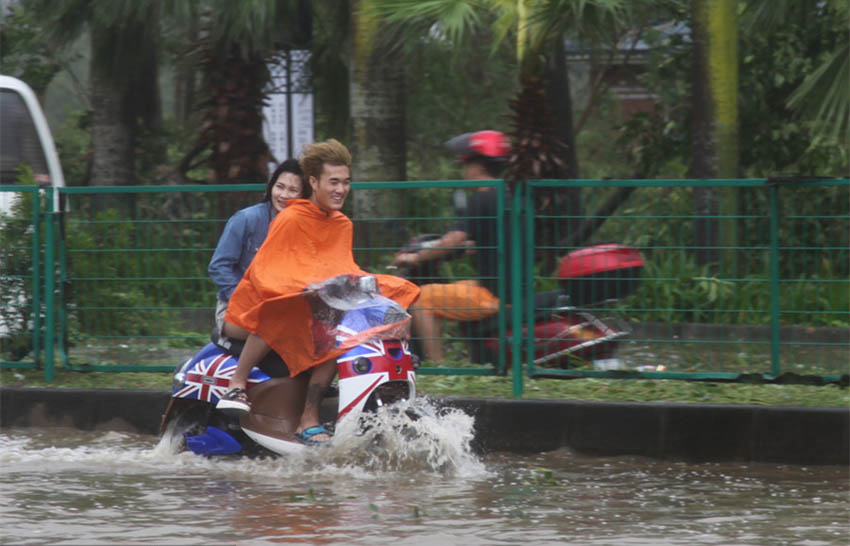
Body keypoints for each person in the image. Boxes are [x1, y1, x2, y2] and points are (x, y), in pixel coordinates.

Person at [217, 139, 419, 446]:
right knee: (284, 308)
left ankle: (307, 419)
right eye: (333, 182)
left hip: (312, 311)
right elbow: (266, 274)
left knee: (337, 328)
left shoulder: (342, 224)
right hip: (252, 312)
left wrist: (394, 309)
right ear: (314, 182)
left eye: (346, 182)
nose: (341, 189)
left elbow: (346, 272)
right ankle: (237, 382)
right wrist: (303, 288)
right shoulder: (290, 219)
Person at [392, 130, 511, 362]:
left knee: (421, 297)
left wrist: (414, 258)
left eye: (465, 164)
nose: (464, 171)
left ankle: (438, 369)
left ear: (478, 166)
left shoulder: (482, 198)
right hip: (509, 287)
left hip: (493, 293)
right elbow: (498, 237)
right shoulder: (509, 194)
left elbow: (452, 240)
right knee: (452, 289)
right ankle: (473, 358)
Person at [208, 159, 307, 349]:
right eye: (280, 187)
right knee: (278, 328)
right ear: (271, 186)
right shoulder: (246, 219)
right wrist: (244, 301)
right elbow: (218, 266)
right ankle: (238, 378)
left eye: (293, 191)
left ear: (304, 195)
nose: (284, 195)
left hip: (282, 310)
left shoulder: (302, 228)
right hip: (236, 308)